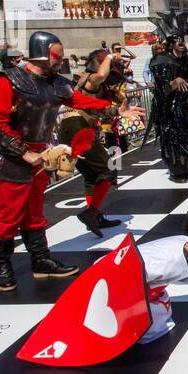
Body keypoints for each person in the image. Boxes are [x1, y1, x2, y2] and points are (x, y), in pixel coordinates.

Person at [0, 31, 112, 292]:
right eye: (56, 57)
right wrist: (23, 152)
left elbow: (81, 101)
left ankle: (40, 261)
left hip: (38, 157)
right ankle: (3, 266)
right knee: (8, 216)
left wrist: (114, 109)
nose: (60, 61)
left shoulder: (56, 83)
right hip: (9, 159)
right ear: (41, 54)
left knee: (34, 214)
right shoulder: (10, 80)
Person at [56, 48, 126, 237]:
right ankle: (92, 213)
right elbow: (101, 75)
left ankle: (95, 217)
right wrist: (109, 56)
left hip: (75, 127)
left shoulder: (102, 86)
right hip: (76, 126)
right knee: (108, 169)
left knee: (92, 175)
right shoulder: (91, 79)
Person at [148, 20, 188, 183]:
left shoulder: (187, 61)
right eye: (177, 40)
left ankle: (185, 168)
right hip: (168, 107)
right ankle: (175, 170)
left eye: (182, 39)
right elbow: (161, 89)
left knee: (186, 135)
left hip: (184, 105)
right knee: (172, 137)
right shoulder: (162, 60)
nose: (181, 42)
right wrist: (175, 82)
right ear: (170, 43)